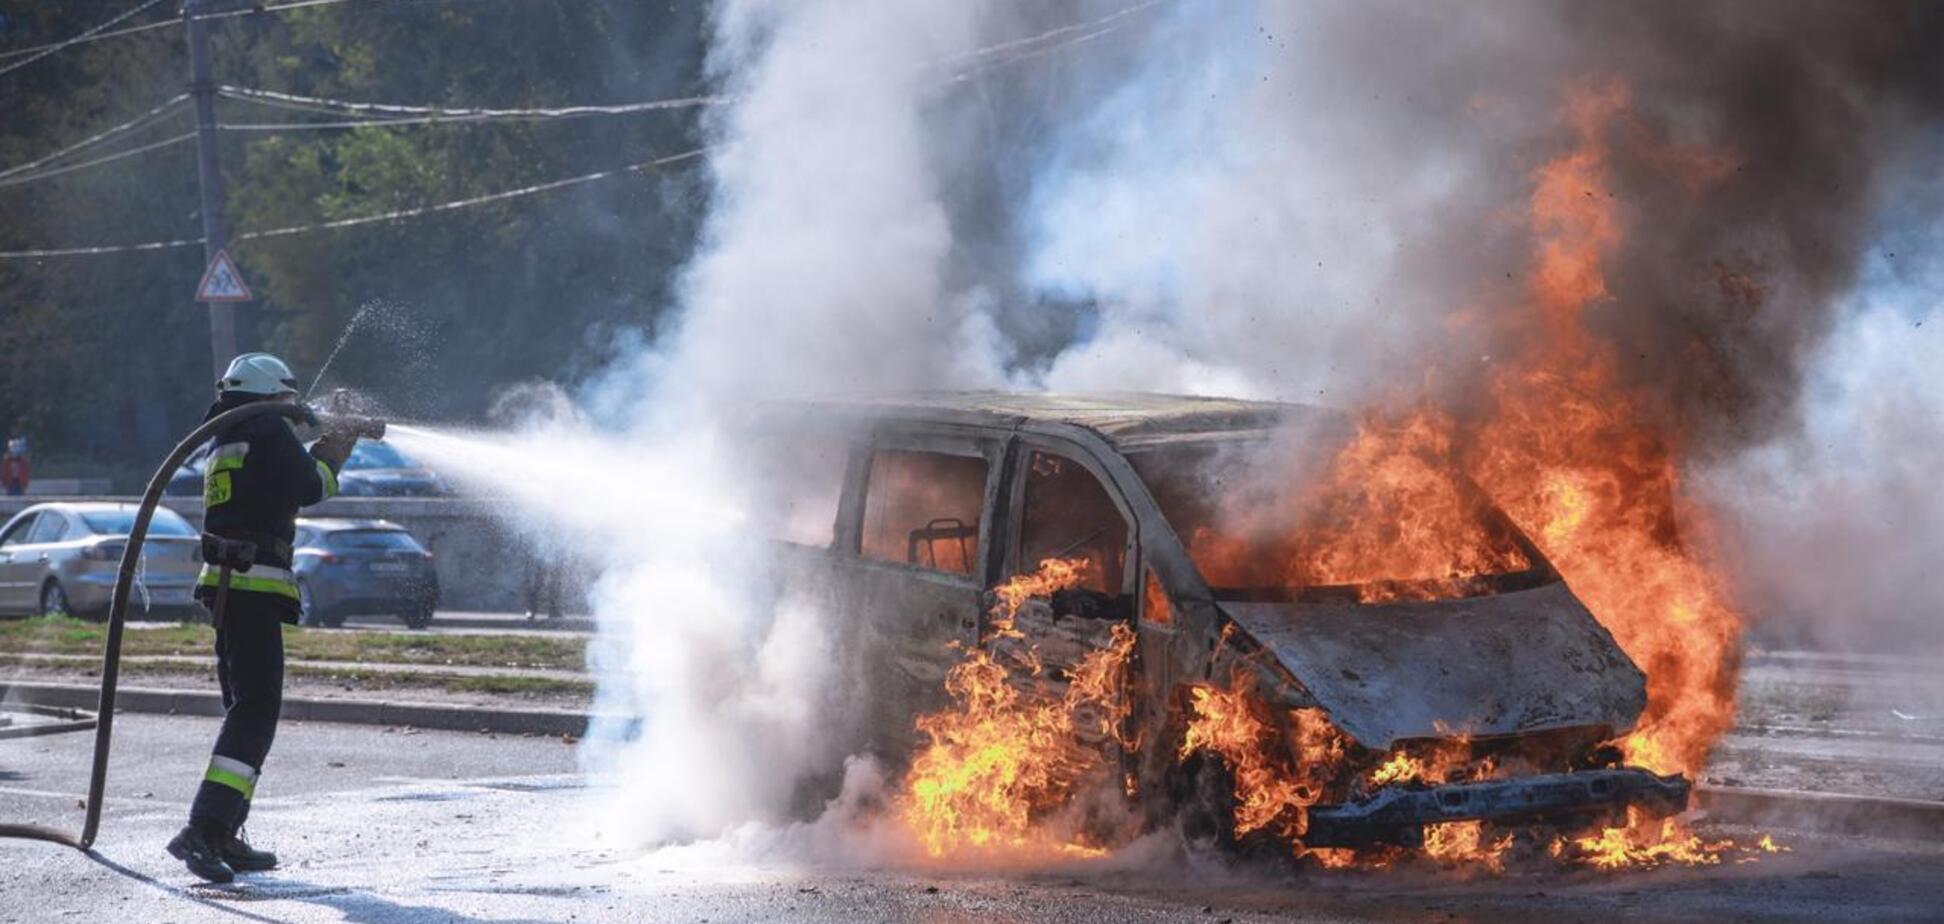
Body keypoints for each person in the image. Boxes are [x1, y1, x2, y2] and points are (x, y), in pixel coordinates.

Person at [166, 353, 366, 883]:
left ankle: (225, 830)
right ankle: (204, 829)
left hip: (227, 588)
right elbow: (310, 487)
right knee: (255, 711)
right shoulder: (270, 431)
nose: (296, 406)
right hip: (252, 587)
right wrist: (336, 448)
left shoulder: (227, 437)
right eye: (290, 398)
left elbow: (271, 487)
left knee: (245, 710)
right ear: (274, 394)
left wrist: (320, 441)